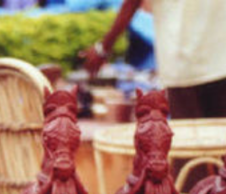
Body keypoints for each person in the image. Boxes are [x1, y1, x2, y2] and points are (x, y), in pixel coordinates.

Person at [82, 0, 226, 119]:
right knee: (220, 139)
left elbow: (132, 3)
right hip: (218, 61)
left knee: (189, 142)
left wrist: (103, 48)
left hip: (181, 66)